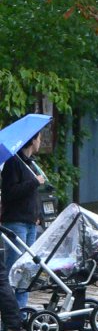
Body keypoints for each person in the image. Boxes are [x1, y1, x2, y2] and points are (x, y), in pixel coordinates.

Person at [1, 130, 45, 309]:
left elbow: (33, 196)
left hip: (30, 222)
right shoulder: (14, 163)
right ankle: (11, 315)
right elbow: (10, 193)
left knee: (27, 270)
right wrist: (34, 182)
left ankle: (22, 310)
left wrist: (38, 215)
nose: (40, 142)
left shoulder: (30, 163)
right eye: (39, 138)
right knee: (15, 268)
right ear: (32, 140)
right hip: (16, 222)